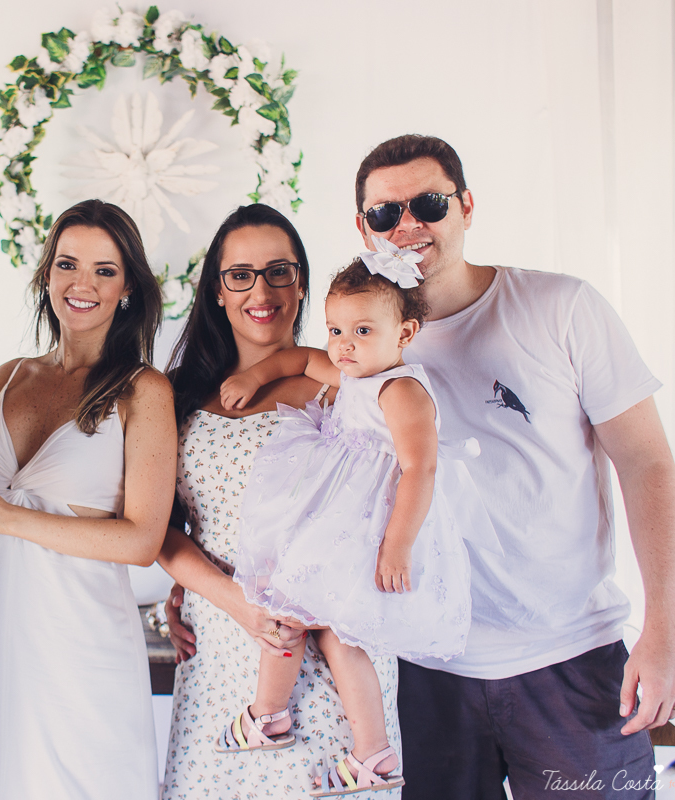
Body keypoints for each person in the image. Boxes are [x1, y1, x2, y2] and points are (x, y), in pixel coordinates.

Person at [351, 134, 675, 798]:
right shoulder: (359, 346)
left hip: (571, 659)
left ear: (466, 206)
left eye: (429, 204)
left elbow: (647, 464)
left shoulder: (562, 307)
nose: (408, 225)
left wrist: (668, 627)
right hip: (424, 669)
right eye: (386, 213)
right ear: (364, 228)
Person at [0, 199, 175, 800]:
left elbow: (142, 541)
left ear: (128, 288)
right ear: (46, 274)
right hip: (1, 641)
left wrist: (4, 517)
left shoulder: (143, 390)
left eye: (105, 270)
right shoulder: (7, 375)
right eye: (67, 264)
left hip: (85, 648)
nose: (82, 284)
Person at [212, 250, 496, 794]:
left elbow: (420, 468)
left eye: (362, 331)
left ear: (404, 333)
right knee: (316, 626)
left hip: (369, 535)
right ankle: (352, 746)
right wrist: (253, 376)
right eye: (336, 329)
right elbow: (299, 359)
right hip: (336, 524)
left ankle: (282, 720)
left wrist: (397, 545)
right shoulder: (353, 372)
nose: (343, 344)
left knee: (302, 620)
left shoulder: (401, 390)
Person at [158, 204, 402, 798]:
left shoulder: (351, 384)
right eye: (240, 274)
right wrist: (223, 599)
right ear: (217, 290)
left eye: (279, 272)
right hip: (220, 646)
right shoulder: (178, 394)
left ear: (302, 283)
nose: (261, 291)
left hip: (328, 650)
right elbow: (159, 531)